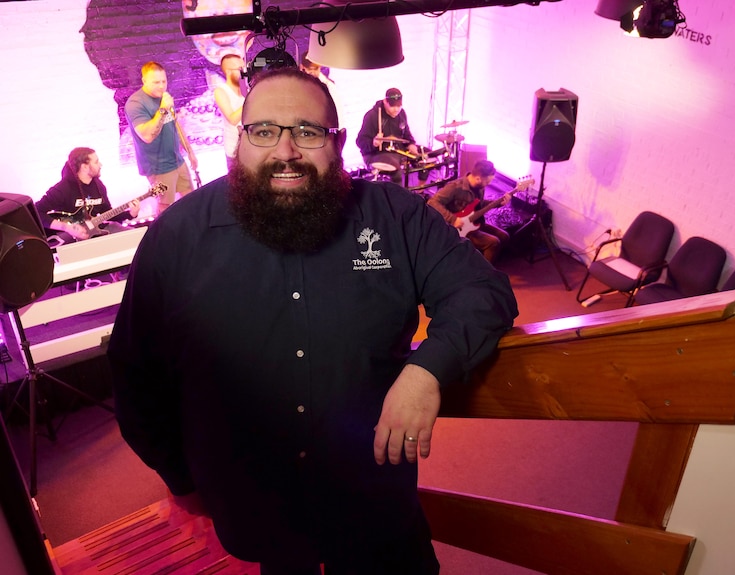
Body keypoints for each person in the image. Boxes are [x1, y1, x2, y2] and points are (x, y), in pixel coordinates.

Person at [107, 67, 518, 575]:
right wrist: (179, 477)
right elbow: (135, 373)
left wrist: (427, 369)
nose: (285, 151)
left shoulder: (396, 216)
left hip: (377, 505)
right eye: (264, 132)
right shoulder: (178, 236)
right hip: (258, 510)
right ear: (241, 141)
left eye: (307, 131)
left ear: (338, 142)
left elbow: (482, 290)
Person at [124, 61, 198, 215]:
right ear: (144, 81)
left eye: (164, 81)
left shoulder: (164, 97)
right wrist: (163, 108)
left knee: (191, 200)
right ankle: (163, 236)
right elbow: (147, 136)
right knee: (166, 208)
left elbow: (175, 124)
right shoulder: (135, 103)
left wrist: (189, 151)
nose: (161, 86)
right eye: (156, 82)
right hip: (158, 166)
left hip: (177, 160)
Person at [35, 147, 140, 244]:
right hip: (72, 239)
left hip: (97, 230)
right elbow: (37, 213)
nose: (100, 165)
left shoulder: (99, 186)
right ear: (84, 167)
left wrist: (131, 214)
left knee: (137, 238)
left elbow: (107, 212)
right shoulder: (62, 189)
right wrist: (67, 228)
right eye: (96, 162)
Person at [427, 160, 511, 263]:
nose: (488, 184)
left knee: (504, 236)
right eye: (487, 182)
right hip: (460, 229)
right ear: (478, 178)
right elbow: (432, 202)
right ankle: (483, 274)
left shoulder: (480, 186)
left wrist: (498, 203)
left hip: (475, 222)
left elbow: (479, 204)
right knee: (493, 242)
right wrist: (453, 219)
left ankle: (485, 261)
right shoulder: (455, 187)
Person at [356, 87, 420, 186]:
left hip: (397, 151)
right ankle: (398, 199)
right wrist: (374, 143)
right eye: (393, 106)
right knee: (395, 168)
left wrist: (411, 144)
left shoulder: (401, 114)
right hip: (375, 154)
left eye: (399, 106)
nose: (396, 109)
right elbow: (360, 141)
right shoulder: (371, 116)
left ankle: (420, 193)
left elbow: (407, 134)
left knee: (423, 158)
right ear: (385, 101)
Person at [213, 53, 245, 168]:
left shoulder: (246, 87)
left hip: (250, 147)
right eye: (240, 69)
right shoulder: (221, 91)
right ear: (228, 71)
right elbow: (232, 119)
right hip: (234, 150)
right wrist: (251, 98)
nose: (244, 71)